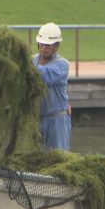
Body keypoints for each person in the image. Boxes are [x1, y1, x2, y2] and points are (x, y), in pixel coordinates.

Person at [32, 22, 71, 150]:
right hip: (38, 119)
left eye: (48, 45)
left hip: (57, 120)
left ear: (56, 46)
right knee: (38, 158)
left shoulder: (62, 65)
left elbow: (43, 75)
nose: (44, 48)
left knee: (58, 157)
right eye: (42, 44)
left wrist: (22, 64)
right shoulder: (32, 60)